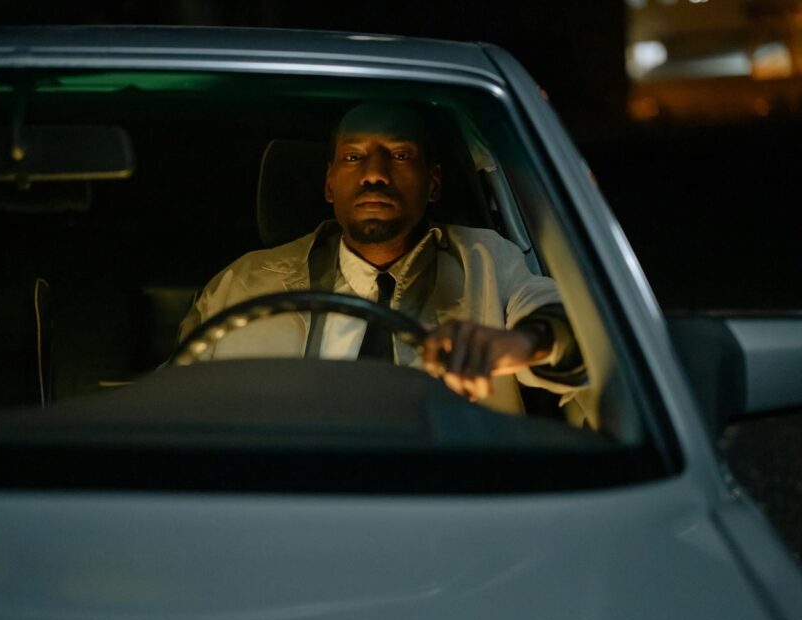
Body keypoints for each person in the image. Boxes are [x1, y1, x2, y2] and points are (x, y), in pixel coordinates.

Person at [177, 102, 585, 412]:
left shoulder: (486, 260)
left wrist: (522, 343)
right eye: (353, 157)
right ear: (330, 185)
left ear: (433, 184)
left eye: (400, 155)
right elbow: (177, 405)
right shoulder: (245, 284)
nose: (375, 174)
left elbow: (572, 323)